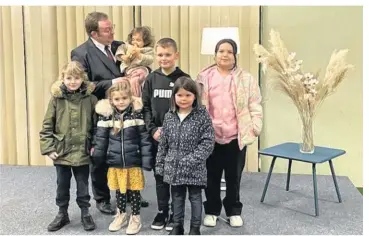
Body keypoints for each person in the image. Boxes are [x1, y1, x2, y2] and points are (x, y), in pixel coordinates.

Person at [71, 12, 149, 213]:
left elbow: (139, 64)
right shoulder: (80, 53)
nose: (112, 32)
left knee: (129, 152)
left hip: (127, 110)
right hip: (102, 110)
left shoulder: (119, 46)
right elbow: (83, 85)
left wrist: (141, 73)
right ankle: (102, 198)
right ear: (94, 33)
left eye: (112, 27)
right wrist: (112, 82)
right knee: (101, 155)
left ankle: (130, 193)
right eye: (107, 30)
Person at [195, 39, 263, 227]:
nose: (225, 55)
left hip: (235, 136)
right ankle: (211, 210)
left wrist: (255, 126)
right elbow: (195, 105)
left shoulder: (246, 78)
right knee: (211, 177)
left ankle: (233, 210)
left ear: (235, 55)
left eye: (229, 52)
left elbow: (255, 103)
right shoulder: (203, 77)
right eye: (221, 51)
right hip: (211, 137)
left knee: (234, 177)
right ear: (215, 54)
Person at [39, 61, 97, 232]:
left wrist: (94, 145)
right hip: (61, 152)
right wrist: (49, 148)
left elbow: (97, 126)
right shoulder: (56, 99)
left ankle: (85, 212)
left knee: (83, 185)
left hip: (83, 151)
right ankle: (62, 213)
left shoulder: (91, 99)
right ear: (62, 78)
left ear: (83, 79)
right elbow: (47, 126)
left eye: (77, 78)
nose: (73, 81)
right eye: (69, 78)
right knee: (62, 185)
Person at [91, 80, 153, 234]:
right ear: (111, 100)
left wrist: (146, 159)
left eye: (124, 98)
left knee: (134, 191)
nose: (121, 102)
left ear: (130, 98)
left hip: (133, 161)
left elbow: (144, 139)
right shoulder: (106, 117)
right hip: (115, 162)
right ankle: (121, 214)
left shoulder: (137, 115)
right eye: (117, 99)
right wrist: (98, 159)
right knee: (119, 190)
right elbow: (101, 140)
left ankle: (136, 217)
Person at [156, 77, 215, 235]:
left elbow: (208, 142)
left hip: (194, 167)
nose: (183, 99)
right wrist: (160, 164)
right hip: (173, 167)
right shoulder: (169, 116)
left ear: (195, 96)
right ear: (173, 96)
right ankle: (177, 226)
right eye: (180, 95)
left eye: (188, 95)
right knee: (177, 198)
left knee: (195, 198)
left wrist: (191, 160)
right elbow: (163, 143)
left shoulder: (202, 115)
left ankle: (195, 229)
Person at [142, 37, 190, 231]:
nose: (164, 58)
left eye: (168, 54)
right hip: (157, 138)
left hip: (177, 138)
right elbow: (144, 108)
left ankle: (174, 214)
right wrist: (152, 130)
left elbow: (189, 108)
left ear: (176, 55)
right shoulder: (151, 79)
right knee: (160, 176)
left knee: (176, 177)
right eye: (160, 55)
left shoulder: (183, 79)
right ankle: (162, 211)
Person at [115, 26, 155, 97]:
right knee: (121, 83)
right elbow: (120, 50)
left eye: (138, 40)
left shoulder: (148, 49)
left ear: (145, 41)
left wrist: (139, 55)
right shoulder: (126, 46)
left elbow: (150, 59)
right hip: (128, 72)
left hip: (141, 70)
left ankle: (136, 97)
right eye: (133, 39)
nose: (135, 42)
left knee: (135, 80)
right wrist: (124, 57)